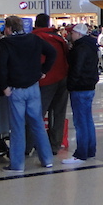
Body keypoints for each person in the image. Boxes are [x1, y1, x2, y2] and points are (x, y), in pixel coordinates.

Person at [0, 15, 57, 172]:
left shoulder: (6, 43)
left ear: (9, 28)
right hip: (33, 87)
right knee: (37, 124)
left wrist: (4, 86)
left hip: (15, 89)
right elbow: (52, 52)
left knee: (17, 127)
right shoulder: (34, 39)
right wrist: (43, 71)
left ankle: (17, 164)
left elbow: (1, 66)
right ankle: (47, 159)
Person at [32, 13, 69, 156]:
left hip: (45, 80)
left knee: (37, 114)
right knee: (58, 113)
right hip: (62, 78)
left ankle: (32, 144)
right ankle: (55, 145)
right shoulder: (58, 38)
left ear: (36, 23)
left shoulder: (35, 37)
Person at [63, 23, 99, 164]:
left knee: (80, 122)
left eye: (72, 33)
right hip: (89, 86)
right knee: (88, 120)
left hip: (80, 88)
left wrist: (70, 85)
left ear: (78, 34)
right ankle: (90, 150)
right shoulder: (91, 46)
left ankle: (81, 154)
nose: (70, 35)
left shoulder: (80, 48)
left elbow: (76, 68)